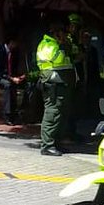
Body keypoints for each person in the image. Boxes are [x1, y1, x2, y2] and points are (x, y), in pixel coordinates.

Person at [36, 21, 74, 156]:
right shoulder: (48, 45)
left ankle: (56, 143)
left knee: (60, 115)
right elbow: (58, 59)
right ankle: (47, 146)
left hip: (60, 85)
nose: (65, 36)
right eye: (63, 34)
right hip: (53, 85)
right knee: (52, 113)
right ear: (57, 33)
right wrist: (63, 46)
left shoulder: (55, 44)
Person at [0, 34, 26, 125]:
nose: (16, 46)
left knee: (27, 84)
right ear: (11, 43)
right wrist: (11, 78)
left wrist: (19, 76)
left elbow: (14, 69)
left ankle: (22, 111)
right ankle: (7, 114)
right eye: (15, 44)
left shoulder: (14, 52)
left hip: (10, 77)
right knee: (8, 85)